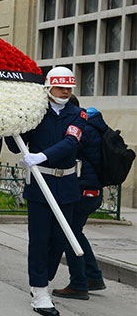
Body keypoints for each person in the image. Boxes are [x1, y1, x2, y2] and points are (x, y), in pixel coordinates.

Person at [6, 67, 85, 316]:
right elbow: (14, 145)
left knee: (60, 239)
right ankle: (40, 289)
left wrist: (44, 155)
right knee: (40, 238)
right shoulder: (36, 112)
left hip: (67, 184)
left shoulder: (78, 114)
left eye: (69, 88)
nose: (65, 92)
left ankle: (44, 278)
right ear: (48, 88)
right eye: (61, 87)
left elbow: (71, 142)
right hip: (40, 184)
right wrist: (12, 121)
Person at [52, 103, 107, 299]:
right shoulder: (95, 125)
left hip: (83, 188)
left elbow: (69, 150)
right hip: (91, 189)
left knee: (69, 234)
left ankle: (79, 284)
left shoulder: (83, 127)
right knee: (75, 232)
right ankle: (92, 277)